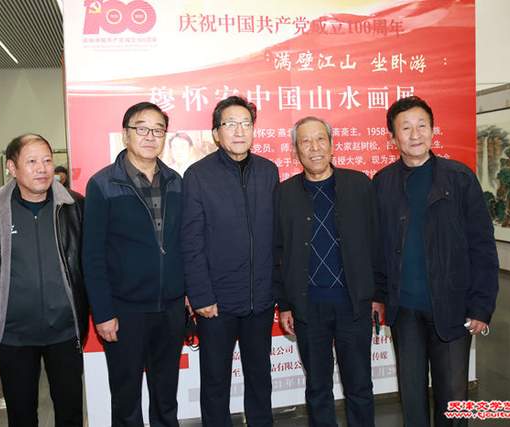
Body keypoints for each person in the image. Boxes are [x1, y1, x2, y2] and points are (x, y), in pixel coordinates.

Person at [373, 96, 499, 426]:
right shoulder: (383, 183)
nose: (415, 134)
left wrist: (481, 306)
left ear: (433, 130)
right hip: (405, 311)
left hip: (453, 307)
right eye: (406, 128)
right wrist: (379, 295)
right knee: (412, 397)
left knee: (454, 399)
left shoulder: (459, 178)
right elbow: (378, 247)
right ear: (393, 137)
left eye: (422, 125)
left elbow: (483, 246)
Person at [0, 133, 88, 427]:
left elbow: (86, 260)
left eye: (47, 160)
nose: (42, 169)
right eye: (32, 161)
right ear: (12, 167)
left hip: (64, 331)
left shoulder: (74, 206)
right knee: (21, 414)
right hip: (14, 334)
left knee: (70, 412)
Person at [83, 102, 186, 427]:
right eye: (142, 128)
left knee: (166, 395)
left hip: (170, 308)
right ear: (126, 134)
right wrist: (103, 312)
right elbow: (92, 255)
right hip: (125, 310)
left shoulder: (176, 181)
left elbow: (184, 243)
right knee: (126, 398)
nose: (150, 136)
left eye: (158, 130)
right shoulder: (102, 184)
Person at [273, 117, 381, 427]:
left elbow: (376, 242)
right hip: (309, 307)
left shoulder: (359, 185)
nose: (314, 147)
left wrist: (378, 294)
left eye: (320, 139)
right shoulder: (284, 193)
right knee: (318, 388)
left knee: (359, 386)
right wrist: (285, 304)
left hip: (353, 305)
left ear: (332, 144)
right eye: (305, 141)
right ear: (296, 150)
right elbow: (278, 251)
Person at [181, 96, 279, 427]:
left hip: (260, 300)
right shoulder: (198, 175)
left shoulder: (268, 171)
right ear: (216, 133)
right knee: (215, 382)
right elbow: (191, 241)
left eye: (246, 124)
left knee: (260, 378)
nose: (239, 131)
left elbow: (276, 237)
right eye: (230, 124)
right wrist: (201, 296)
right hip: (216, 303)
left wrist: (275, 289)